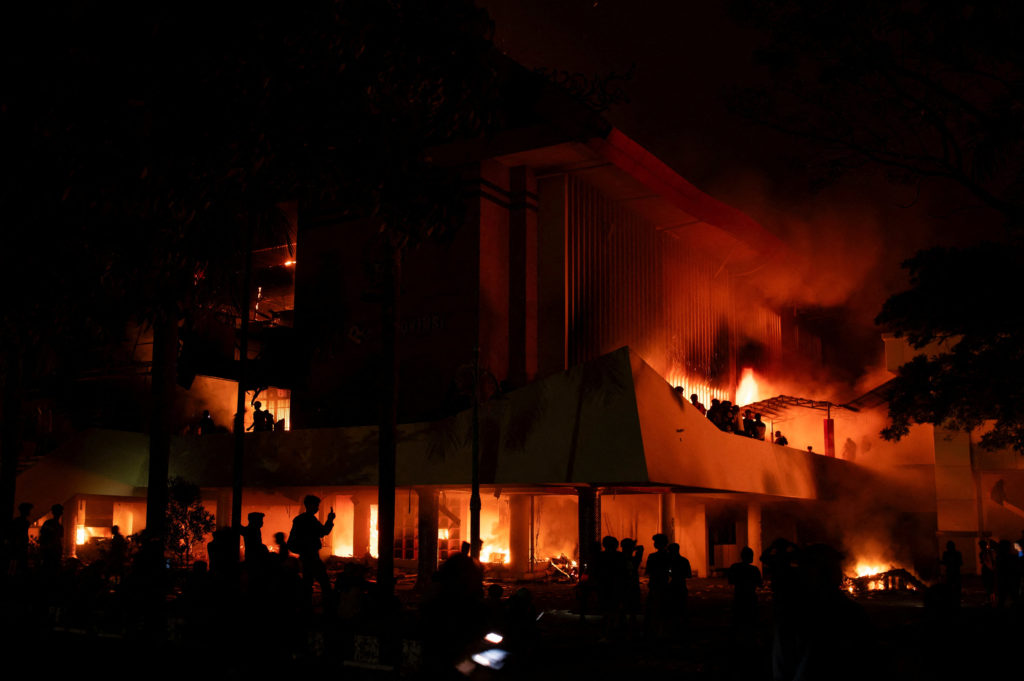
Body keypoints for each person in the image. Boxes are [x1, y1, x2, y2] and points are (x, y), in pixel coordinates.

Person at [287, 495, 335, 605]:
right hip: (311, 556)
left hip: (305, 556)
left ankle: (306, 607)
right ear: (309, 505)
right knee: (324, 582)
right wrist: (330, 520)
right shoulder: (309, 520)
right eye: (316, 505)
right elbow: (323, 532)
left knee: (307, 582)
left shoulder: (300, 519)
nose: (317, 508)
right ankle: (328, 607)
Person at [38, 503, 64, 575]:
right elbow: (44, 536)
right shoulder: (52, 525)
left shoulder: (56, 525)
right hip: (50, 552)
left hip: (52, 552)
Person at [8, 502, 32, 576]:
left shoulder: (18, 521)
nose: (30, 512)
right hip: (20, 546)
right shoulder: (23, 522)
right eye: (28, 510)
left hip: (19, 545)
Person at [940, 540, 962, 606]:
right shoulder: (956, 553)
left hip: (953, 572)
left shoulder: (954, 554)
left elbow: (960, 563)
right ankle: (954, 600)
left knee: (953, 586)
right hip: (952, 572)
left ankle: (954, 600)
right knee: (951, 586)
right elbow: (960, 563)